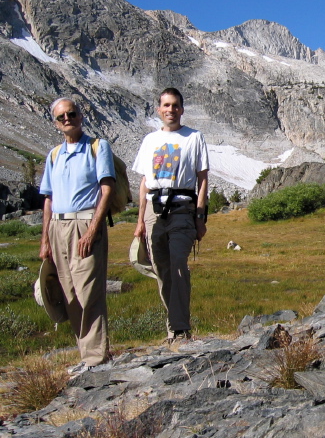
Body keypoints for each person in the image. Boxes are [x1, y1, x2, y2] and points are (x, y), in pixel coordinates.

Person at [39, 97, 115, 371]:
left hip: (85, 223)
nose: (67, 119)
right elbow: (48, 198)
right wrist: (45, 239)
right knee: (69, 292)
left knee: (89, 290)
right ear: (56, 123)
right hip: (57, 227)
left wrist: (93, 229)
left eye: (71, 114)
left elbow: (106, 188)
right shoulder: (54, 154)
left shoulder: (97, 147)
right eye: (61, 117)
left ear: (81, 116)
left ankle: (96, 358)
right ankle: (87, 355)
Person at [133, 87, 209, 343]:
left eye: (175, 105)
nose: (170, 110)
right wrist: (139, 223)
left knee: (178, 265)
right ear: (159, 110)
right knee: (162, 269)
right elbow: (144, 182)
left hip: (182, 209)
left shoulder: (194, 137)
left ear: (182, 109)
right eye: (166, 105)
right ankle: (174, 327)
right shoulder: (149, 141)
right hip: (153, 211)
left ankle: (180, 327)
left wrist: (200, 217)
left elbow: (202, 179)